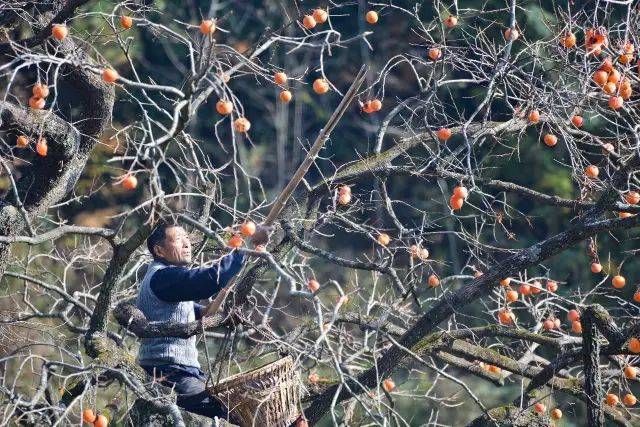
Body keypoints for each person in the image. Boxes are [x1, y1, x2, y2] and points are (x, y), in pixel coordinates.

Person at [135, 222, 271, 422]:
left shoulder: (168, 280)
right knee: (232, 412)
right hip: (169, 373)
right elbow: (209, 279)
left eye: (187, 238)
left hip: (182, 372)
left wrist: (224, 316)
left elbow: (202, 313)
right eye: (178, 239)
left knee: (237, 408)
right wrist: (244, 248)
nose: (187, 244)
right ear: (159, 250)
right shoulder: (163, 276)